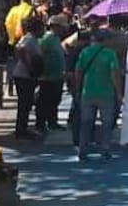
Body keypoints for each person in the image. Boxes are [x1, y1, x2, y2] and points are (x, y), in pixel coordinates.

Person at [75, 29, 123, 161]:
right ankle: (105, 149)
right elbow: (114, 74)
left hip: (88, 92)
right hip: (106, 93)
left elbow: (78, 71)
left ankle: (82, 149)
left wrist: (78, 89)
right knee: (106, 123)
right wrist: (119, 93)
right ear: (106, 40)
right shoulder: (110, 54)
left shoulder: (85, 52)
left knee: (86, 122)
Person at [11, 17, 45, 138]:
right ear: (37, 29)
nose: (44, 31)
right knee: (24, 103)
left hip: (25, 75)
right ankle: (21, 130)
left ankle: (22, 128)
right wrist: (28, 65)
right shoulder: (29, 39)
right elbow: (20, 50)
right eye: (42, 28)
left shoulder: (31, 39)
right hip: (24, 75)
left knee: (26, 102)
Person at [36, 16, 68, 131]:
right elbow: (39, 53)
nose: (64, 30)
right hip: (47, 76)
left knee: (55, 100)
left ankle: (52, 122)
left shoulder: (56, 39)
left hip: (57, 75)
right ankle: (41, 124)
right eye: (62, 27)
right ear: (55, 27)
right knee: (45, 101)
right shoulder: (47, 39)